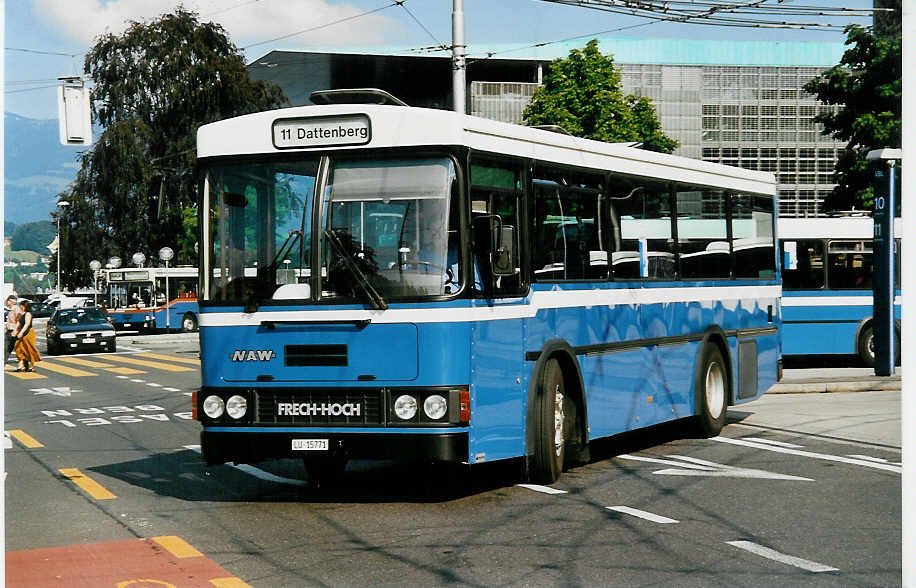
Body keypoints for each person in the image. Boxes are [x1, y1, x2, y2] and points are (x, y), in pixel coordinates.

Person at [12, 300, 41, 372]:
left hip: (28, 333)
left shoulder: (28, 314)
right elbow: (18, 323)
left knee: (29, 349)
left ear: (24, 306)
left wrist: (21, 333)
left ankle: (32, 366)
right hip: (20, 333)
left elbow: (27, 324)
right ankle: (21, 365)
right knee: (18, 348)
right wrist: (15, 331)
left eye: (21, 305)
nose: (20, 307)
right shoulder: (20, 314)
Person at [5, 294, 21, 360]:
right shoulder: (10, 310)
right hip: (9, 331)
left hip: (13, 331)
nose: (7, 302)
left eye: (8, 301)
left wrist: (15, 331)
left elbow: (19, 320)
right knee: (6, 348)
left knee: (7, 349)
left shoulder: (16, 309)